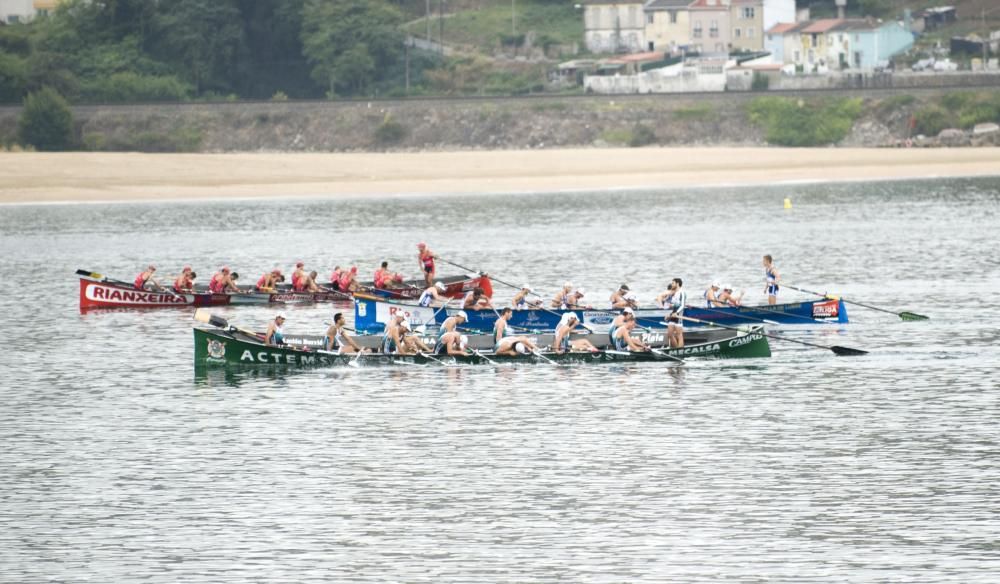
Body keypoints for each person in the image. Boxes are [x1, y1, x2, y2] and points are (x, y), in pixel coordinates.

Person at [665, 278, 687, 348]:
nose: (672, 284)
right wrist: (670, 314)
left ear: (677, 284)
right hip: (673, 313)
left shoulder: (682, 292)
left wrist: (677, 313)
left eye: (673, 283)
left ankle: (680, 350)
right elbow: (674, 305)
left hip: (679, 314)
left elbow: (682, 305)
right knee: (670, 334)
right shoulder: (674, 293)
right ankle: (675, 349)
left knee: (679, 335)